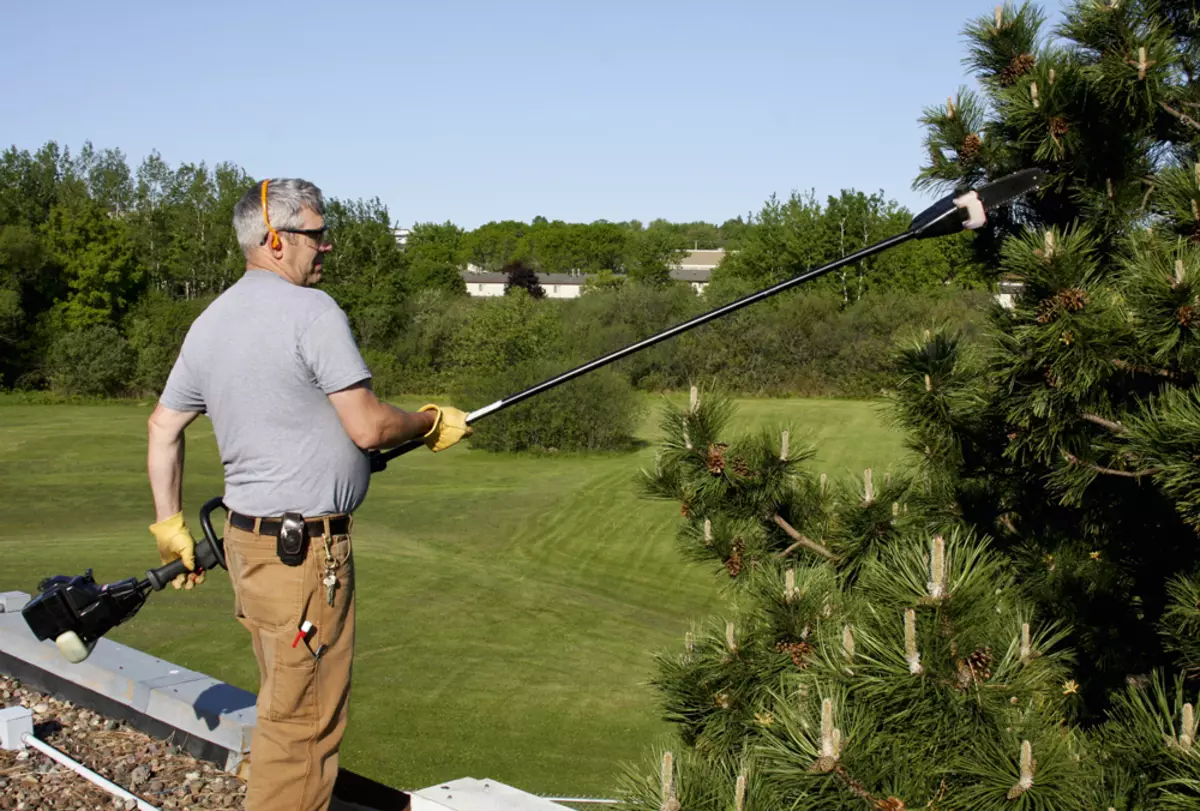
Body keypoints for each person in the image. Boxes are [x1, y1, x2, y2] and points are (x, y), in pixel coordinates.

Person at [144, 177, 469, 811]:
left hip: (250, 551)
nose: (326, 247)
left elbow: (163, 428)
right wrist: (427, 422)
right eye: (316, 236)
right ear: (275, 239)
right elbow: (370, 425)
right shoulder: (314, 312)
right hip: (305, 562)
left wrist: (168, 526)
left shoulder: (211, 321)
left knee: (283, 706)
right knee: (305, 729)